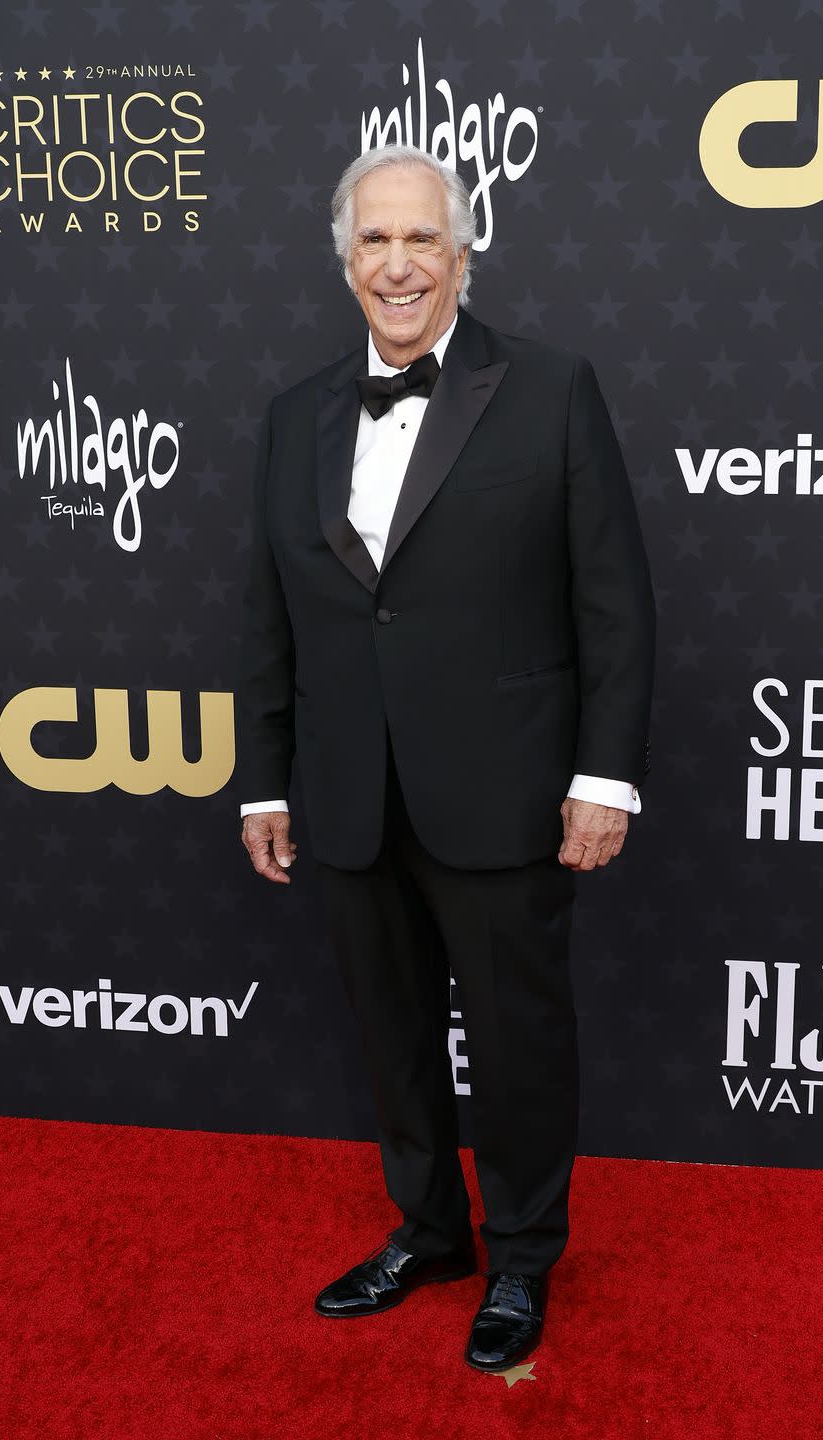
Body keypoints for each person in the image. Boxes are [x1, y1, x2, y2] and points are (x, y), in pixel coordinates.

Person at [237, 144, 655, 1373]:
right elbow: (270, 615)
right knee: (393, 1032)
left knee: (519, 1038)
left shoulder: (552, 389)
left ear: (463, 255)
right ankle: (428, 1230)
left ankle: (521, 1256)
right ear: (345, 262)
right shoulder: (290, 419)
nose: (399, 263)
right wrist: (266, 777)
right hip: (351, 794)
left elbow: (615, 606)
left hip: (509, 789)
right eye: (375, 241)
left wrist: (604, 775)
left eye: (422, 239)